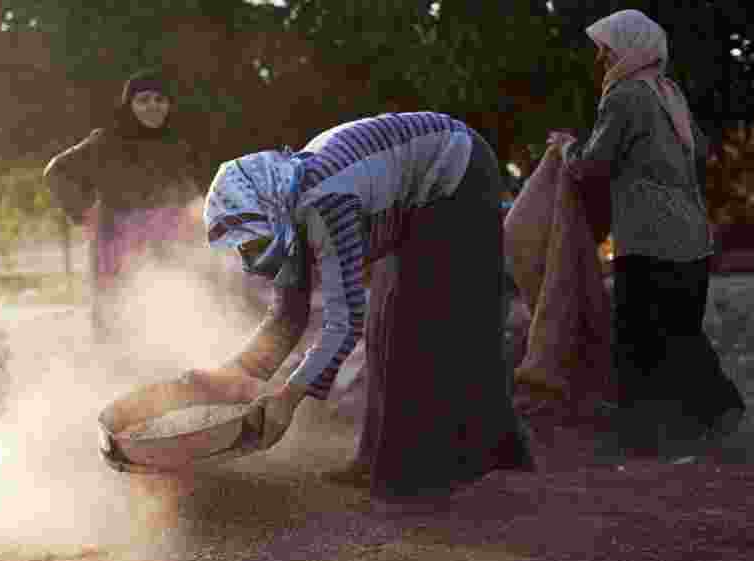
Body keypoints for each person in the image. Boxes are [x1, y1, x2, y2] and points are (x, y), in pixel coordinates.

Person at [187, 112, 536, 514]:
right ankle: (376, 462)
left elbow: (344, 318)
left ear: (272, 212)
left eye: (252, 241)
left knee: (417, 328)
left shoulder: (324, 202)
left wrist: (287, 399)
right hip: (411, 194)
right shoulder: (283, 206)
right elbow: (287, 316)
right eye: (242, 246)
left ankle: (423, 480)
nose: (248, 253)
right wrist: (232, 375)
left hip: (457, 174)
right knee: (381, 326)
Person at [547, 9, 745, 444]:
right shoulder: (668, 92)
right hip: (691, 236)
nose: (600, 59)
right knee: (680, 333)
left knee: (636, 338)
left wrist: (564, 149)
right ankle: (712, 414)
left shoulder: (626, 96)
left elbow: (592, 164)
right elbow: (699, 151)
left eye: (605, 49)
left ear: (627, 48)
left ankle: (641, 433)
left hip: (649, 238)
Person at [44, 69, 203, 342]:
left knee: (170, 320)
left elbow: (189, 192)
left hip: (168, 245)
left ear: (169, 105)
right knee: (118, 321)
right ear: (129, 105)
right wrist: (83, 212)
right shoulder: (106, 141)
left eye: (159, 99)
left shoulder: (177, 143)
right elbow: (56, 172)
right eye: (143, 100)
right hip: (118, 244)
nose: (152, 106)